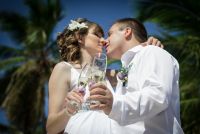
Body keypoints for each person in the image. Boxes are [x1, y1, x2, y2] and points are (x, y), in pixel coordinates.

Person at [46, 18, 163, 134]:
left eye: (104, 36)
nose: (104, 40)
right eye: (97, 35)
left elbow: (134, 70)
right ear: (80, 37)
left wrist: (147, 45)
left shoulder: (113, 74)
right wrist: (68, 110)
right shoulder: (64, 69)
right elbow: (51, 129)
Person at [89, 18, 184, 134]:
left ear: (127, 32)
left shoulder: (152, 52)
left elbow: (158, 96)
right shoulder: (126, 67)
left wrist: (114, 104)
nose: (105, 41)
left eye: (110, 34)